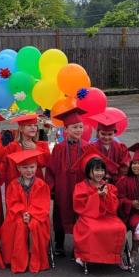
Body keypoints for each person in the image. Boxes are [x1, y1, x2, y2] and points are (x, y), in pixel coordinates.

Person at [45, 107, 89, 256]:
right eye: (74, 127)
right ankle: (59, 242)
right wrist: (51, 187)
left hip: (81, 187)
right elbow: (51, 169)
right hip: (63, 187)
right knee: (60, 212)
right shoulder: (58, 148)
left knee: (80, 214)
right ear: (66, 129)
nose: (78, 130)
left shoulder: (87, 147)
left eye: (81, 127)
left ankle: (79, 243)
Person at [72, 150, 126, 267]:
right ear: (88, 170)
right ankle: (87, 256)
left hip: (107, 216)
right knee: (93, 230)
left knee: (120, 227)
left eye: (102, 170)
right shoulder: (80, 187)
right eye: (96, 170)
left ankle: (116, 256)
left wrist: (106, 195)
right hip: (88, 217)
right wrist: (96, 196)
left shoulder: (109, 187)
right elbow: (80, 208)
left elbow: (113, 208)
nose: (99, 173)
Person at [1, 150, 51, 273]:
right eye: (25, 167)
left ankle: (36, 260)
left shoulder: (41, 184)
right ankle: (19, 262)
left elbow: (42, 204)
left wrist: (31, 214)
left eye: (32, 167)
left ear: (36, 167)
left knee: (35, 225)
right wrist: (23, 213)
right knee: (19, 224)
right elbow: (12, 203)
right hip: (18, 215)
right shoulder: (13, 184)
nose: (29, 170)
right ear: (18, 168)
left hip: (37, 216)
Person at [3, 114, 50, 187]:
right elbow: (5, 165)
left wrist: (36, 148)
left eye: (35, 125)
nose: (33, 128)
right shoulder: (11, 147)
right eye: (29, 125)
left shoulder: (42, 145)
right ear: (21, 129)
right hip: (17, 186)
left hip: (36, 185)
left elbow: (47, 162)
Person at [89, 112, 131, 182]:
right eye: (103, 134)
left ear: (115, 133)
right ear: (98, 133)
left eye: (110, 134)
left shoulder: (121, 147)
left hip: (117, 181)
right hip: (97, 181)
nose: (106, 137)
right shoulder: (91, 147)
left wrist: (118, 180)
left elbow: (125, 167)